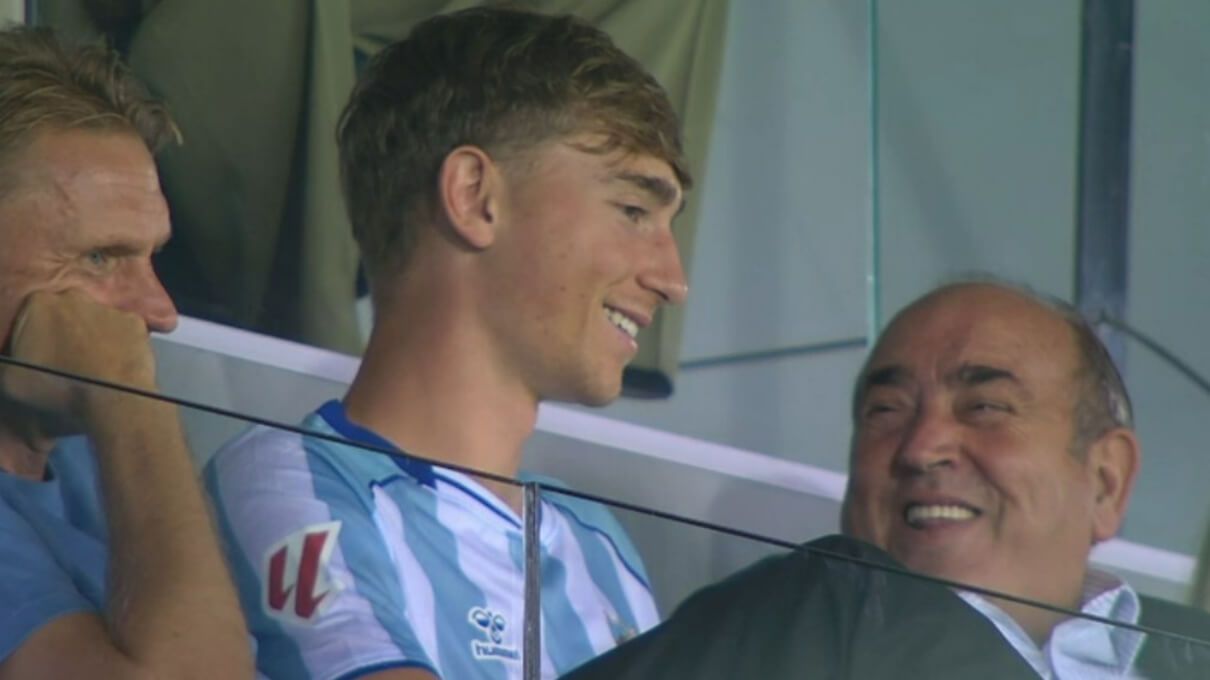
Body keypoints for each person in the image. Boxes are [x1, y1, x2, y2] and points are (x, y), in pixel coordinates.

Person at [204, 7, 690, 679]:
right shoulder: (293, 478)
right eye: (634, 211)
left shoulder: (598, 542)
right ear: (474, 197)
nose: (672, 279)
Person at [567, 281, 1210, 679]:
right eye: (886, 412)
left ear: (1105, 482)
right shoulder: (778, 629)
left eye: (984, 408)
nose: (922, 447)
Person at [0, 26, 253, 678]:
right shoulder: (115, 419)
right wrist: (123, 392)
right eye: (99, 257)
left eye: (150, 257)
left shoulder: (86, 455)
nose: (161, 312)